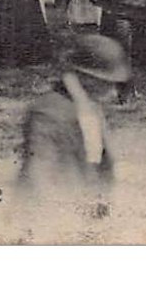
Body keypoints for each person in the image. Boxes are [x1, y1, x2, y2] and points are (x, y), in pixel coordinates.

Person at [18, 34, 129, 200]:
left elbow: (103, 166)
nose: (113, 92)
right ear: (84, 77)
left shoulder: (90, 108)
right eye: (105, 82)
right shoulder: (48, 113)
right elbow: (38, 177)